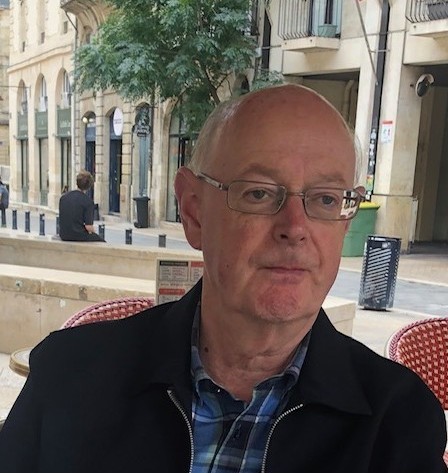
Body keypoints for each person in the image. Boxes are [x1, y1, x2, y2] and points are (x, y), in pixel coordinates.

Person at [0, 85, 446, 472]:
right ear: (193, 211)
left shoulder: (398, 421)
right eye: (259, 193)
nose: (295, 227)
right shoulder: (69, 377)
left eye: (327, 199)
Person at [58, 170, 104, 242]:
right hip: (78, 235)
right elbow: (88, 227)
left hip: (64, 235)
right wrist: (94, 232)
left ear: (77, 183)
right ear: (89, 186)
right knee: (101, 241)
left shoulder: (64, 197)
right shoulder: (88, 202)